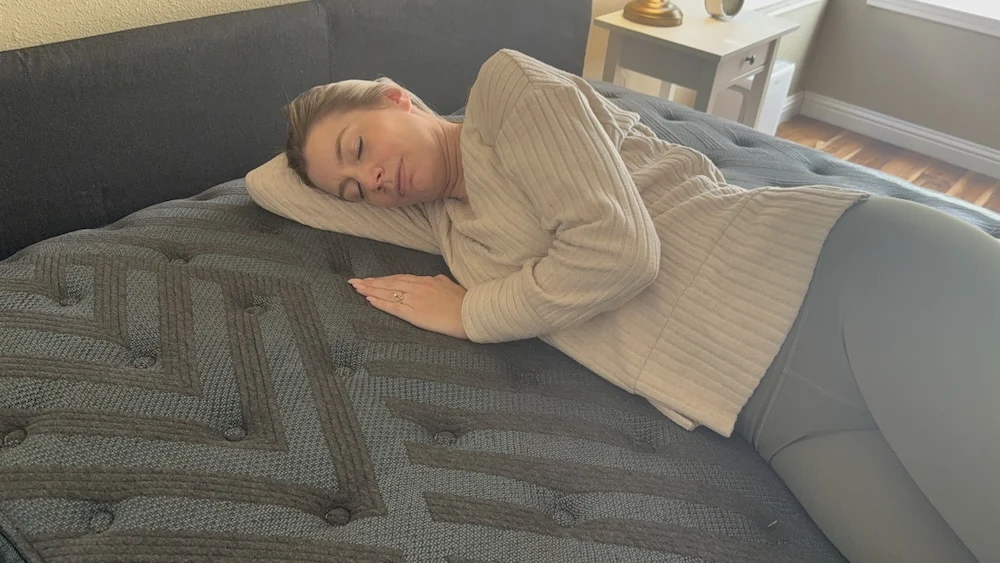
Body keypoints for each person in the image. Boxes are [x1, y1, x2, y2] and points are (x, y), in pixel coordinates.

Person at [245, 49, 999, 563]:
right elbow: (267, 185)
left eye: (358, 146)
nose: (372, 180)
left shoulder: (507, 92)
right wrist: (324, 162)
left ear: (397, 96)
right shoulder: (442, 225)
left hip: (850, 281)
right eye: (353, 187)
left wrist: (469, 313)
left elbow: (618, 253)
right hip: (776, 417)